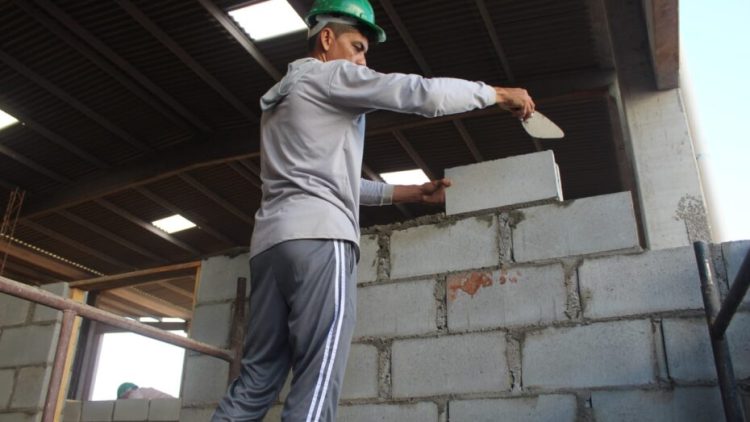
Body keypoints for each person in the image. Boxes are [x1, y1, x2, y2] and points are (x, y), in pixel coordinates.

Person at [212, 0, 534, 420]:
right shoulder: (331, 75)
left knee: (255, 380)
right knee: (317, 376)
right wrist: (494, 93)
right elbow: (420, 94)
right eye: (358, 46)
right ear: (326, 39)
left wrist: (414, 193)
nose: (363, 60)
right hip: (320, 242)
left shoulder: (283, 99)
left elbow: (342, 183)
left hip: (270, 246)